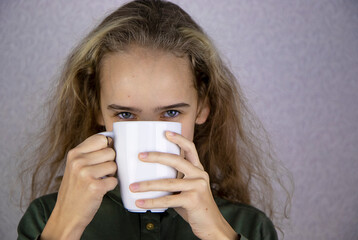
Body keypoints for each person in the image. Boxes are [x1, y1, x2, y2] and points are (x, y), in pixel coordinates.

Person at [18, 0, 292, 239]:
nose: (148, 139)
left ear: (202, 108)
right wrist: (65, 229)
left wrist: (217, 234)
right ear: (97, 110)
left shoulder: (249, 228)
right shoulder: (46, 219)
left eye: (171, 113)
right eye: (125, 114)